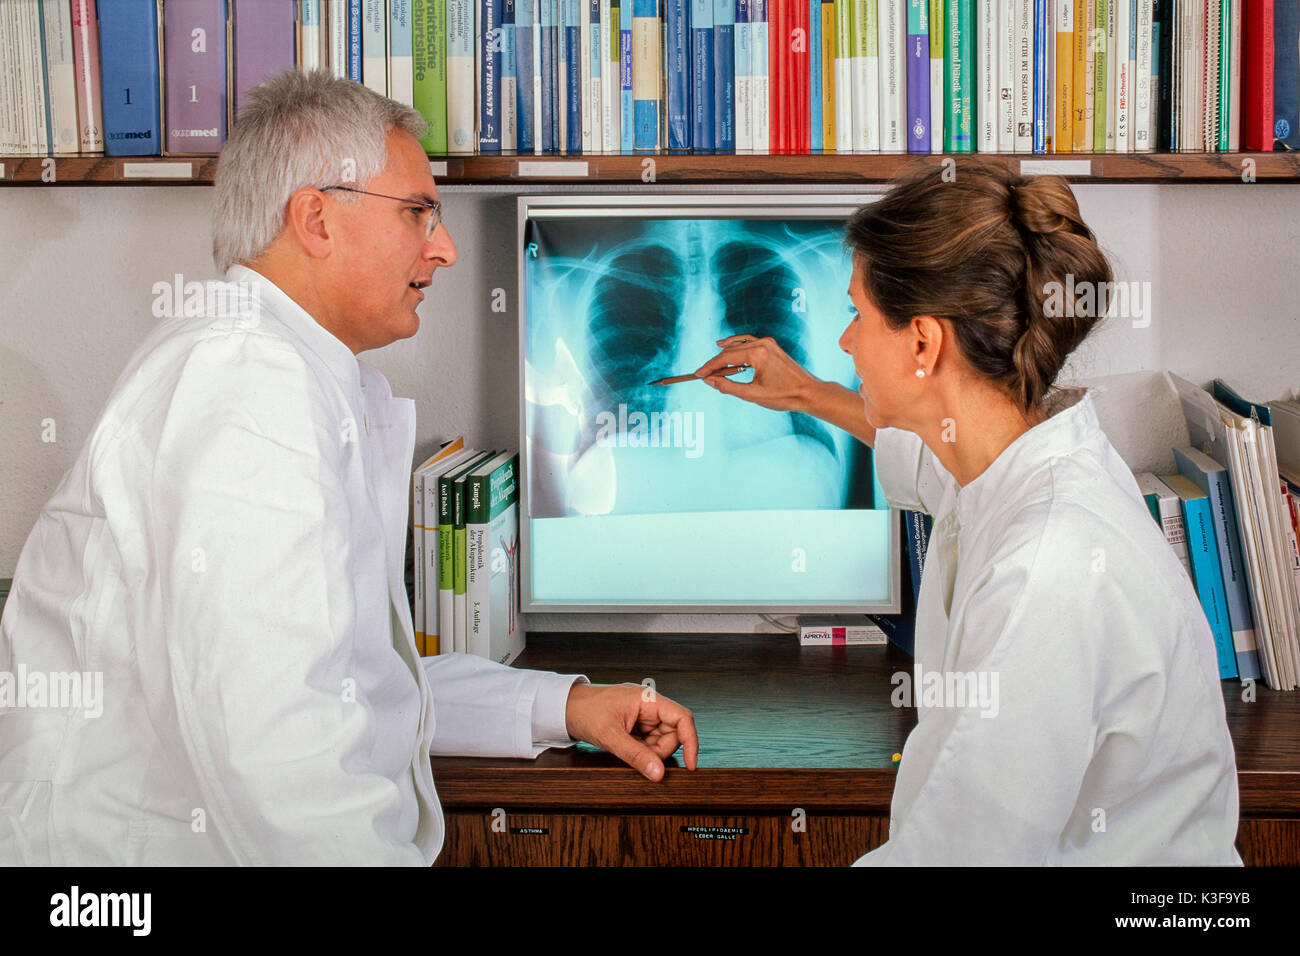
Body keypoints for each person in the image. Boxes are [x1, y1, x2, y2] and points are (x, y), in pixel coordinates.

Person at [0, 70, 696, 866]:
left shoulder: (288, 374)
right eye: (418, 212)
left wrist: (564, 704)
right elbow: (279, 750)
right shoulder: (245, 387)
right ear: (316, 219)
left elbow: (355, 679)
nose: (447, 245)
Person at [694, 162, 1241, 865]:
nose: (845, 342)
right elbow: (923, 462)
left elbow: (957, 856)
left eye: (857, 314)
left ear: (923, 342)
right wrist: (804, 395)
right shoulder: (1012, 463)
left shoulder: (1043, 572)